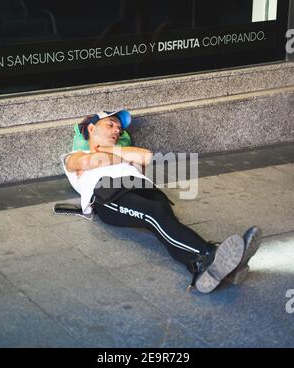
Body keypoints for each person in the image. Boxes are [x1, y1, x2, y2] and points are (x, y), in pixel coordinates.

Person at [57, 109, 262, 293]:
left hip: (144, 188)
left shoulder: (118, 150)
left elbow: (146, 157)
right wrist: (115, 154)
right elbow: (87, 162)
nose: (116, 131)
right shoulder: (73, 155)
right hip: (108, 193)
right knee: (154, 214)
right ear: (91, 128)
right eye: (110, 125)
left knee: (163, 218)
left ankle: (209, 267)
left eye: (119, 129)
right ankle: (208, 253)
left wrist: (106, 149)